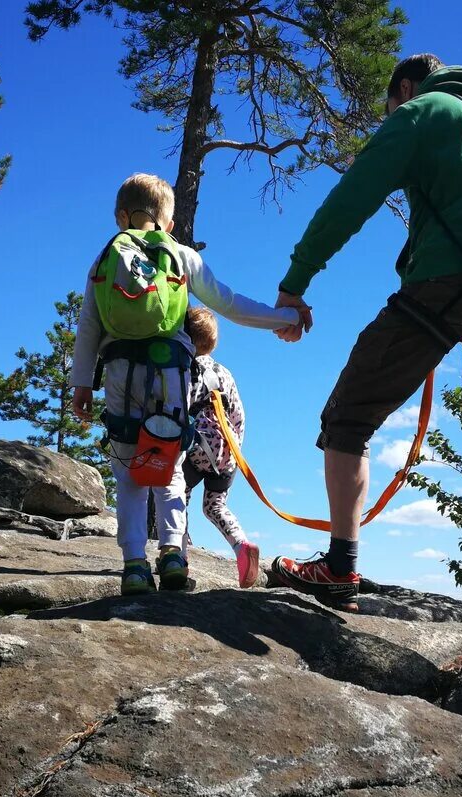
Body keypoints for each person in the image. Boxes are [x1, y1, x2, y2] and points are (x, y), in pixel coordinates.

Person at [270, 55, 462, 680]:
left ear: (405, 88)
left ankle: (339, 567)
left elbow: (351, 199)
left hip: (437, 291)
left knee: (348, 417)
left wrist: (296, 281)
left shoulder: (420, 112)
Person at [72, 174, 299, 596]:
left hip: (121, 372)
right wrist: (283, 319)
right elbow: (229, 303)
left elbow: (88, 326)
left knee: (129, 472)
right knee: (168, 465)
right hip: (171, 374)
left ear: (122, 216)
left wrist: (81, 383)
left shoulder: (105, 258)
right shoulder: (179, 255)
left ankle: (134, 565)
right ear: (169, 223)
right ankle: (173, 555)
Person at [181, 306, 260, 589]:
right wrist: (235, 451)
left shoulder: (186, 369)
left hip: (195, 447)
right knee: (215, 506)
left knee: (178, 496)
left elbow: (180, 408)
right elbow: (238, 415)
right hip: (228, 451)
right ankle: (241, 547)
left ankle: (179, 554)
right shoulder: (225, 372)